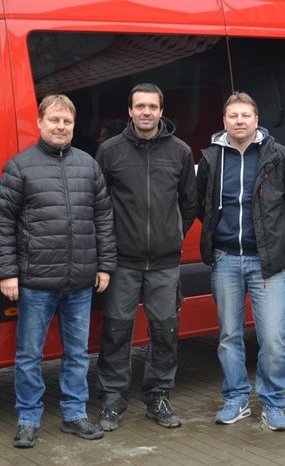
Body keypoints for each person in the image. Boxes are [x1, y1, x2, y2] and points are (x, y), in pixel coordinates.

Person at [0, 94, 117, 448]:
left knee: (77, 354)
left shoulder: (88, 165)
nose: (61, 127)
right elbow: (1, 222)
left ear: (74, 126)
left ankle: (75, 414)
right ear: (40, 123)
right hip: (35, 282)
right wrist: (7, 273)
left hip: (80, 281)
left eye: (67, 122)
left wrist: (105, 265)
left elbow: (103, 218)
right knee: (29, 356)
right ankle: (28, 419)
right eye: (54, 120)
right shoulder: (19, 166)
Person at [197, 92, 285, 431]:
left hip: (266, 262)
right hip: (225, 260)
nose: (239, 121)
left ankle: (273, 403)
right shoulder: (211, 158)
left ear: (257, 120)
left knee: (272, 338)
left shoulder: (279, 156)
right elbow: (203, 204)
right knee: (229, 336)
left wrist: (274, 238)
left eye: (245, 115)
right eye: (233, 116)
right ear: (224, 121)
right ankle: (236, 399)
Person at [94, 83, 198, 431]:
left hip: (165, 264)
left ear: (161, 110)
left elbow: (189, 202)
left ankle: (158, 397)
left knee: (165, 332)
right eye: (140, 106)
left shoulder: (180, 152)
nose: (146, 112)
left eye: (152, 106)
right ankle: (113, 400)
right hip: (123, 262)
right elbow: (100, 205)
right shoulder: (110, 151)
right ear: (130, 110)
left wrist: (173, 235)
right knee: (116, 332)